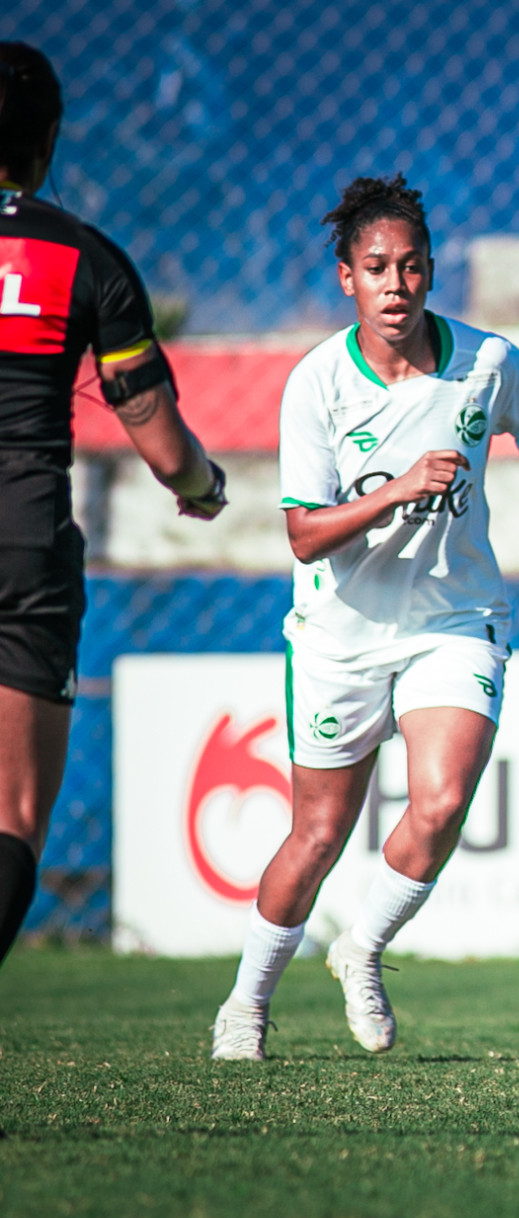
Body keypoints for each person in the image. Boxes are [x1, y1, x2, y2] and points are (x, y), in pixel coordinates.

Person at [208, 175, 519, 1060]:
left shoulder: (490, 363)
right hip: (341, 635)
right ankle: (245, 1005)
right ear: (346, 278)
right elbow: (302, 535)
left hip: (455, 620)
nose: (395, 284)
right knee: (318, 833)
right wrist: (398, 491)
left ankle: (361, 950)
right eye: (376, 268)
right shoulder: (317, 383)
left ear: (432, 271)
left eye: (409, 266)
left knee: (440, 804)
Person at [0, 43, 228, 969]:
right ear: (50, 140)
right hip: (22, 543)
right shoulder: (84, 259)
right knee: (13, 811)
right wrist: (203, 487)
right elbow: (159, 436)